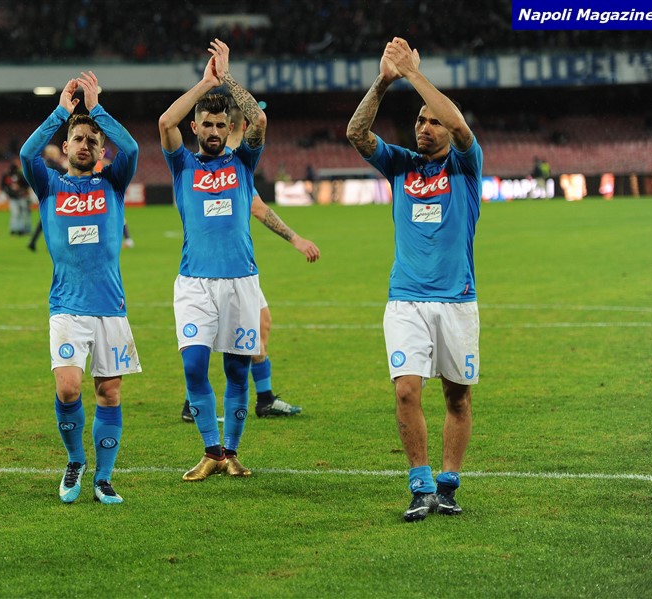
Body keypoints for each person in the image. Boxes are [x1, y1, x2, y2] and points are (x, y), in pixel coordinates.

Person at [346, 37, 482, 522]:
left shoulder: (465, 166)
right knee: (406, 389)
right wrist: (385, 81)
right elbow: (356, 132)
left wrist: (413, 74)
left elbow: (461, 127)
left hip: (457, 300)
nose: (424, 127)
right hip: (405, 299)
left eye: (432, 121)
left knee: (457, 396)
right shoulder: (401, 165)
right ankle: (420, 486)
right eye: (420, 120)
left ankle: (448, 485)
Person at [20, 71, 141, 505]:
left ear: (101, 149)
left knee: (109, 392)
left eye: (92, 140)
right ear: (66, 146)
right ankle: (75, 460)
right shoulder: (49, 184)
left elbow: (132, 148)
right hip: (67, 306)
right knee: (68, 387)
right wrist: (61, 113)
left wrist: (97, 109)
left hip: (110, 306)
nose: (85, 144)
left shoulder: (113, 182)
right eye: (78, 139)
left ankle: (104, 477)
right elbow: (27, 152)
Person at [159, 39, 267, 482]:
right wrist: (205, 84)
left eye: (221, 124)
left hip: (241, 280)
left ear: (229, 127)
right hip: (195, 283)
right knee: (193, 366)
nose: (215, 130)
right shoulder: (182, 165)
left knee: (237, 371)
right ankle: (210, 451)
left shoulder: (243, 162)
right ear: (196, 127)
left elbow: (259, 120)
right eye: (207, 123)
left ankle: (232, 453)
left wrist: (229, 79)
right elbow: (165, 121)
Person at [180, 102, 320, 423]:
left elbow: (255, 204)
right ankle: (194, 401)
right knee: (209, 333)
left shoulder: (236, 161)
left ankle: (265, 398)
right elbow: (257, 207)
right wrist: (296, 240)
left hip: (241, 267)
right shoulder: (221, 162)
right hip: (216, 268)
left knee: (262, 322)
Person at [26, 144, 65, 252]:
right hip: (54, 195)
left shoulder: (45, 163)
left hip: (48, 195)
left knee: (46, 219)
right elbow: (63, 174)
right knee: (56, 219)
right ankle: (55, 243)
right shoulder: (53, 165)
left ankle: (33, 241)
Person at [2, 162, 31, 236]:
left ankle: (16, 228)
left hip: (18, 197)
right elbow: (26, 185)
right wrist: (21, 191)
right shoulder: (19, 175)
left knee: (17, 213)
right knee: (21, 213)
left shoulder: (8, 176)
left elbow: (3, 186)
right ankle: (20, 229)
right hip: (18, 197)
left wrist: (11, 192)